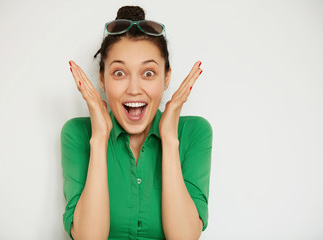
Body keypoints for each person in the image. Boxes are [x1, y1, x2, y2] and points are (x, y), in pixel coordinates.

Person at [61, 5, 212, 240]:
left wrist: (170, 140)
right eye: (119, 73)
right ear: (102, 79)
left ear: (167, 77)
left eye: (149, 73)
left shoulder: (195, 132)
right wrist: (99, 140)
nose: (133, 89)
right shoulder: (77, 134)